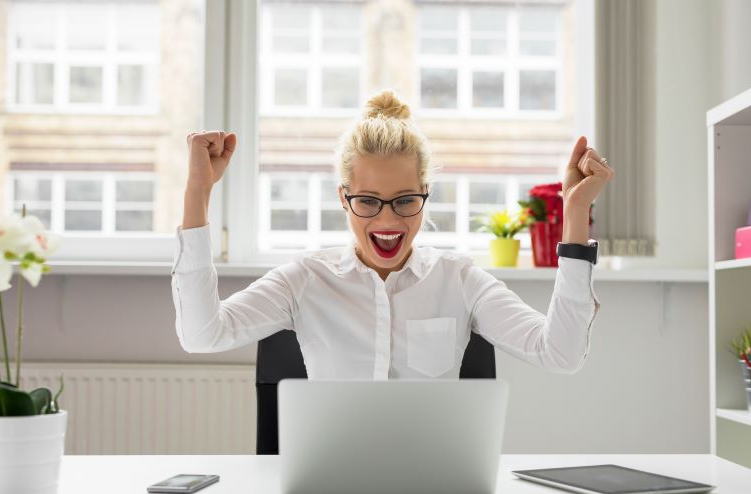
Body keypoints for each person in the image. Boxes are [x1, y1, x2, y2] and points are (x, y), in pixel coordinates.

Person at [171, 90, 609, 379]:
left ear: (425, 194)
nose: (387, 221)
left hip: (433, 493)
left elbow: (561, 354)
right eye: (367, 201)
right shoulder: (304, 279)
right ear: (343, 198)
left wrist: (574, 215)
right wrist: (198, 191)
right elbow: (201, 334)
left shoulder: (458, 278)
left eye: (404, 200)